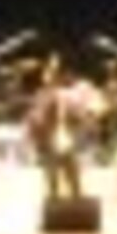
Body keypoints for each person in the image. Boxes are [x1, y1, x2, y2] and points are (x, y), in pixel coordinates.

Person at [26, 58, 87, 199]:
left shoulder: (67, 94)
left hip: (62, 136)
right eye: (48, 74)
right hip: (49, 138)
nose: (48, 78)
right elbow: (34, 118)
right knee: (52, 174)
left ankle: (76, 197)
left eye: (53, 74)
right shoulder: (41, 95)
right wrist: (33, 134)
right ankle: (56, 197)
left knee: (70, 171)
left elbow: (77, 115)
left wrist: (75, 123)